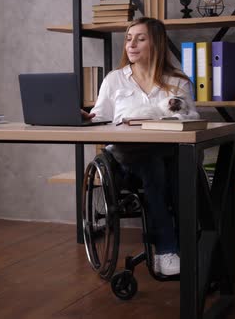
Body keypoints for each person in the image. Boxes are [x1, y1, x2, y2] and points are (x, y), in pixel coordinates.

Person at [82, 17, 200, 276]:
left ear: (156, 43)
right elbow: (100, 119)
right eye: (128, 38)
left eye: (140, 38)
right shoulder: (114, 80)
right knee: (152, 165)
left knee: (174, 167)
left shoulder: (177, 81)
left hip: (167, 155)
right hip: (125, 159)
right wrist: (85, 117)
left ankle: (192, 248)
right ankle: (167, 250)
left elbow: (190, 118)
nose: (131, 44)